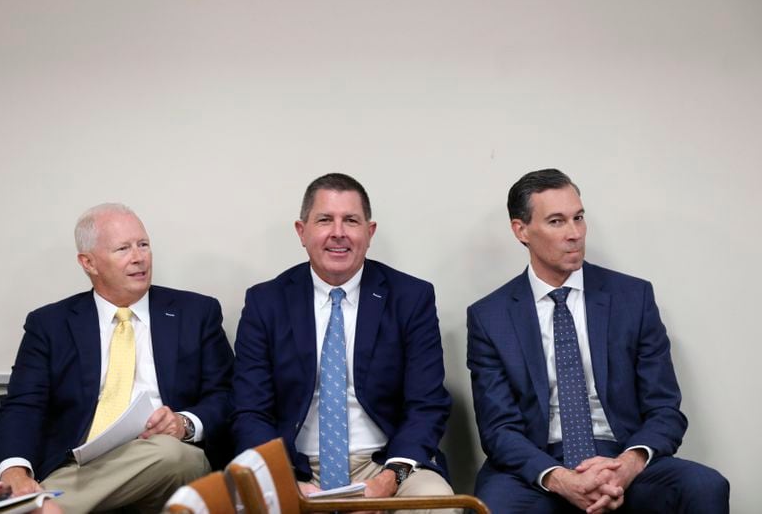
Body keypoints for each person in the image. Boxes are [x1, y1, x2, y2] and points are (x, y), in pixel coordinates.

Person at [467, 169, 730, 514]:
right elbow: (499, 429)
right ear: (521, 231)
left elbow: (665, 409)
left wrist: (627, 465)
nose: (575, 233)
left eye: (578, 218)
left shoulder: (633, 298)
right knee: (494, 506)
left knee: (705, 486)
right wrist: (561, 478)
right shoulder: (490, 316)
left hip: (621, 454)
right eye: (557, 222)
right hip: (538, 464)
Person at [231, 173, 455, 512]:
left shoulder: (411, 298)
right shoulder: (266, 302)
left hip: (387, 462)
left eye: (351, 220)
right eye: (324, 220)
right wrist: (282, 480)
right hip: (297, 465)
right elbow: (251, 410)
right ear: (301, 231)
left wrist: (391, 476)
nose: (338, 232)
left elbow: (427, 404)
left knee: (437, 503)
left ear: (369, 231)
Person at [0, 203, 234, 513]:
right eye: (123, 248)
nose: (139, 257)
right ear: (88, 262)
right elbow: (23, 406)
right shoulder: (50, 324)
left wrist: (184, 423)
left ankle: (34, 507)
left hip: (166, 458)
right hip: (78, 467)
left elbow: (227, 394)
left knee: (176, 456)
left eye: (143, 245)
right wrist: (15, 473)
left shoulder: (196, 313)